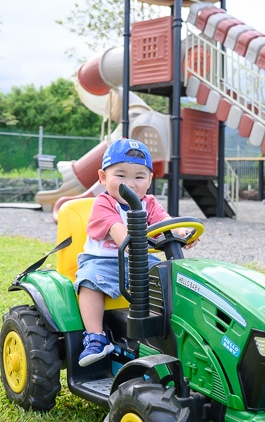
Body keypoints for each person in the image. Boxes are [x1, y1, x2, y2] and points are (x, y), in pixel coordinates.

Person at [73, 138, 190, 366]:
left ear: (149, 180)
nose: (131, 183)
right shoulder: (103, 204)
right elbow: (123, 235)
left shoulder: (150, 203)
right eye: (121, 175)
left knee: (169, 276)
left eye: (139, 176)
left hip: (140, 260)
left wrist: (181, 231)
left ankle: (170, 330)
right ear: (103, 178)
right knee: (89, 283)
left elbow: (165, 221)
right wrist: (150, 234)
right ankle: (96, 337)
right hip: (103, 262)